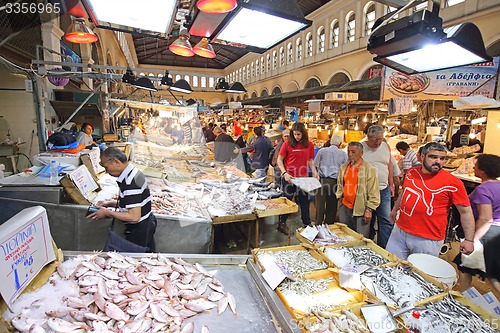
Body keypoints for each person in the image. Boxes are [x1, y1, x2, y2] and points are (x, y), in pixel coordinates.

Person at [386, 142, 475, 260]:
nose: (438, 161)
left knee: (420, 275)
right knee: (391, 265)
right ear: (422, 157)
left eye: (442, 158)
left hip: (428, 238)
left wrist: (469, 239)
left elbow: (466, 212)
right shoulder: (412, 172)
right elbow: (405, 193)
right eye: (433, 157)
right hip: (400, 231)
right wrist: (394, 210)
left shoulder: (453, 183)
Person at [87, 147, 156, 252]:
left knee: (137, 260)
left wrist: (107, 212)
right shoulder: (132, 172)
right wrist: (110, 203)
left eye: (106, 167)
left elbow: (134, 216)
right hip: (146, 223)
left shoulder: (130, 181)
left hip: (140, 229)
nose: (106, 171)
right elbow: (134, 203)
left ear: (116, 162)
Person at [455, 154, 500, 295]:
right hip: (495, 231)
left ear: (483, 170)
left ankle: (463, 294)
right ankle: (463, 293)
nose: (473, 167)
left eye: (476, 165)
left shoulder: (483, 190)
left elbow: (486, 218)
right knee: (467, 266)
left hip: (487, 233)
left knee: (492, 275)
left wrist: (472, 239)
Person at [276, 122, 319, 235]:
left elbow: (310, 160)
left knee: (305, 202)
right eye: (295, 134)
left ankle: (306, 223)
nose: (297, 137)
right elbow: (279, 160)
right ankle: (282, 223)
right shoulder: (287, 144)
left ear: (303, 134)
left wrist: (314, 172)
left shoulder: (309, 145)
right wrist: (284, 172)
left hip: (303, 179)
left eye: (299, 134)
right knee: (287, 201)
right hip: (289, 178)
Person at [336, 142, 380, 237]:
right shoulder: (344, 167)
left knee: (360, 237)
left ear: (361, 153)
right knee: (345, 235)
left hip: (361, 209)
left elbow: (373, 191)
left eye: (353, 152)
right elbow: (340, 185)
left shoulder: (369, 169)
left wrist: (369, 209)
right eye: (348, 152)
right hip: (345, 206)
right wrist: (339, 199)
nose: (350, 154)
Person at [361, 125, 395, 248]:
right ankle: (367, 246)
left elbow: (389, 165)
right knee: (366, 220)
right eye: (376, 139)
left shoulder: (385, 146)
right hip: (366, 191)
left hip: (383, 189)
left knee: (386, 220)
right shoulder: (361, 148)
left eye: (381, 139)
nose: (378, 142)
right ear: (368, 136)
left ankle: (384, 248)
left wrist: (391, 184)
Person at [314, 135, 347, 224]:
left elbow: (315, 166)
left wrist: (317, 176)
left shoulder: (322, 151)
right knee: (332, 206)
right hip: (335, 183)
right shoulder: (343, 154)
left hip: (321, 181)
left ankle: (318, 224)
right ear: (340, 144)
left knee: (319, 206)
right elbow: (346, 169)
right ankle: (329, 226)